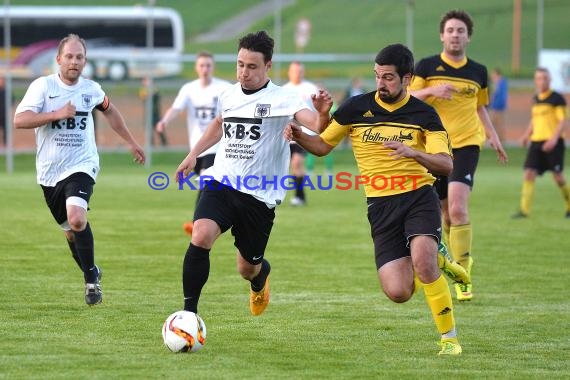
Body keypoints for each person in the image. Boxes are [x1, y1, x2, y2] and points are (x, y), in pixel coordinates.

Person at [287, 43, 467, 355]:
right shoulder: (356, 108)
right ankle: (438, 258)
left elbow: (446, 164)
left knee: (422, 264)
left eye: (387, 78)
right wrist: (298, 134)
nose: (380, 84)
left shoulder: (424, 114)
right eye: (377, 76)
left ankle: (449, 340)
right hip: (380, 206)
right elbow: (322, 146)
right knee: (398, 292)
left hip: (417, 197)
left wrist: (414, 153)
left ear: (407, 78)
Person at [174, 30, 332, 318]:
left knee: (247, 268)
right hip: (222, 181)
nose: (243, 72)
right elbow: (219, 124)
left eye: (252, 66)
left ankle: (260, 277)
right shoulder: (228, 94)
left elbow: (318, 127)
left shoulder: (285, 98)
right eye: (240, 64)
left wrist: (322, 113)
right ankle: (188, 314)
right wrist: (193, 154)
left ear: (268, 66)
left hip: (259, 195)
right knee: (200, 235)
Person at [13, 34, 145, 306]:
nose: (75, 62)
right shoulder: (43, 86)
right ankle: (92, 270)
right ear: (58, 59)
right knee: (70, 231)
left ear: (85, 61)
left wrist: (131, 142)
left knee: (76, 218)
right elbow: (19, 120)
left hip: (82, 164)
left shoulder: (91, 89)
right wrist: (56, 114)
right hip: (49, 172)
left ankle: (90, 282)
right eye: (70, 56)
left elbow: (110, 111)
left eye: (80, 57)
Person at [409, 9, 508, 302]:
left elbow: (481, 108)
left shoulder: (478, 71)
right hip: (434, 146)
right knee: (444, 213)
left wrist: (494, 137)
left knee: (458, 207)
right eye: (450, 30)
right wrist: (434, 90)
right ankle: (453, 263)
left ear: (468, 37)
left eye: (460, 31)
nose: (455, 35)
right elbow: (410, 97)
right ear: (442, 35)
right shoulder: (426, 66)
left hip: (466, 144)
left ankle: (463, 274)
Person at [156, 51, 231, 196]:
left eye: (208, 66)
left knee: (205, 180)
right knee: (209, 186)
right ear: (196, 67)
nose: (205, 69)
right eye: (202, 65)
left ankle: (200, 218)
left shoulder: (224, 88)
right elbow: (176, 108)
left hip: (217, 145)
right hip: (197, 147)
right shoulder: (189, 89)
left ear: (213, 67)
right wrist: (165, 121)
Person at [513, 67, 570, 218]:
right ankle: (524, 211)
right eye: (539, 78)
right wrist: (526, 135)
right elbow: (534, 120)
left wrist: (553, 139)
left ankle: (569, 206)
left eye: (545, 78)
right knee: (529, 173)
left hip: (554, 143)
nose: (542, 81)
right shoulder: (536, 99)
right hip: (536, 142)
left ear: (550, 79)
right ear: (535, 81)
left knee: (558, 176)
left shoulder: (557, 98)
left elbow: (563, 121)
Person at [283, 61, 321, 206]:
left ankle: (299, 196)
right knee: (293, 166)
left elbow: (319, 111)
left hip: (305, 133)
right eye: (294, 71)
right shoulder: (283, 90)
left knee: (297, 162)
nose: (297, 74)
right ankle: (299, 196)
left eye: (300, 71)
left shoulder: (311, 88)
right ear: (289, 72)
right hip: (288, 134)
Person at [139, 77, 168, 146]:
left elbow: (155, 95)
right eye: (144, 81)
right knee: (149, 131)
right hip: (147, 114)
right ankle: (151, 145)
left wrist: (150, 91)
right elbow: (143, 97)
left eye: (146, 80)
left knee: (159, 129)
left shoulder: (154, 89)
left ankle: (164, 143)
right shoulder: (143, 91)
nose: (144, 82)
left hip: (155, 114)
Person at [489, 67, 509, 143]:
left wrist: (495, 105)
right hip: (495, 107)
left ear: (498, 75)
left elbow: (502, 97)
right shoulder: (497, 84)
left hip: (498, 108)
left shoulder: (502, 84)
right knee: (494, 124)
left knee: (496, 125)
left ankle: (501, 141)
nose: (492, 77)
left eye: (494, 75)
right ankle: (497, 141)